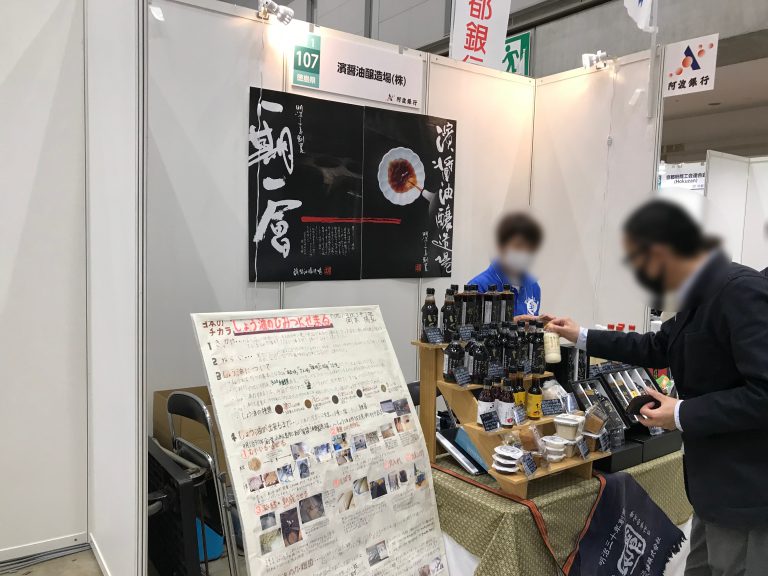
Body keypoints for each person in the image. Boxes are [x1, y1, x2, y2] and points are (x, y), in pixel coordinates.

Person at [548, 200, 768, 576]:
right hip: (712, 489)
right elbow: (656, 346)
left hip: (744, 493)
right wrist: (579, 335)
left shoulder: (741, 292)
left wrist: (680, 413)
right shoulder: (697, 294)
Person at [469, 212, 549, 320]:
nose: (525, 253)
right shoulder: (478, 287)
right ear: (501, 247)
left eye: (530, 248)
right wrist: (511, 325)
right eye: (519, 245)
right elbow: (467, 329)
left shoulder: (533, 286)